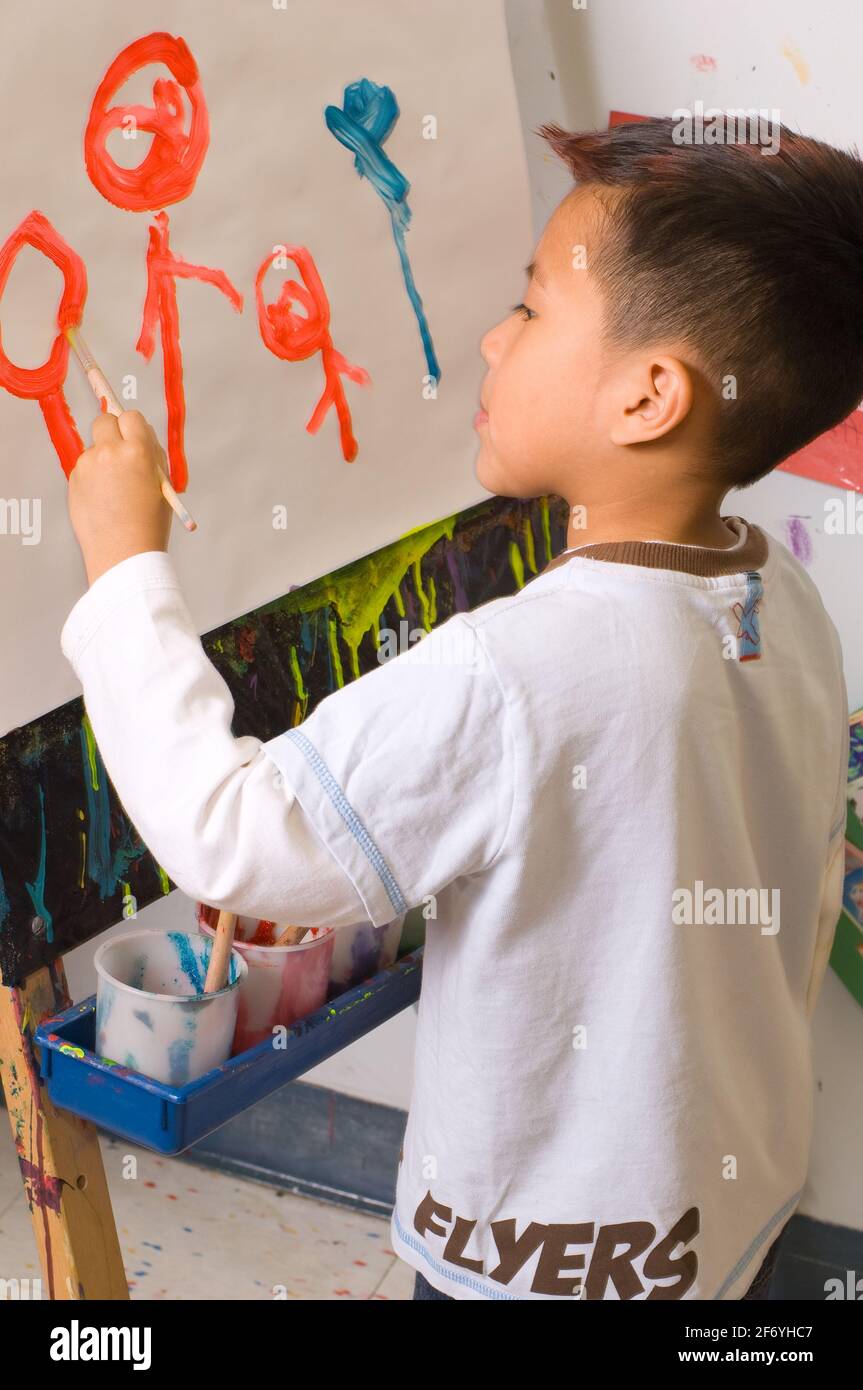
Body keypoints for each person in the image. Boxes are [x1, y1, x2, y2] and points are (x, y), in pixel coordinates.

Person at [62, 116, 854, 1299]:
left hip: (537, 1262)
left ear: (647, 396)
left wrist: (126, 567)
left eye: (530, 308)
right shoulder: (781, 598)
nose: (491, 334)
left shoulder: (512, 673)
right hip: (714, 1224)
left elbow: (234, 833)